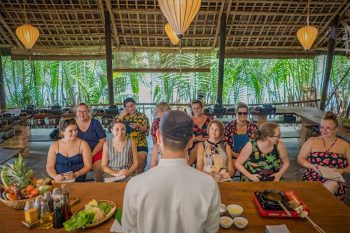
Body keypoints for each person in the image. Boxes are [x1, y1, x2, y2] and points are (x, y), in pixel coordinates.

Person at [122, 110, 220, 233]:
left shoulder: (135, 185)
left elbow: (129, 230)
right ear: (191, 141)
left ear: (158, 136)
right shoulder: (209, 185)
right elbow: (211, 230)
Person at [298, 111, 350, 201]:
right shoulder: (312, 141)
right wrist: (311, 166)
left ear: (336, 129)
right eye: (322, 127)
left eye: (328, 128)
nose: (323, 130)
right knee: (315, 190)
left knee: (333, 184)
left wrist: (342, 170)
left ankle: (314, 204)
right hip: (313, 177)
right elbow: (300, 158)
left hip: (334, 178)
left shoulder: (345, 145)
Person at [46, 118, 92, 182]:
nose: (74, 133)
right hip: (59, 180)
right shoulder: (55, 145)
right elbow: (49, 166)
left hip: (78, 179)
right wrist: (55, 176)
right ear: (63, 132)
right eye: (70, 131)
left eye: (76, 130)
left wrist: (75, 174)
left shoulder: (83, 144)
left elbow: (88, 166)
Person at [115, 97, 149, 174]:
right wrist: (121, 116)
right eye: (128, 106)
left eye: (132, 105)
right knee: (124, 162)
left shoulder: (142, 116)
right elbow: (113, 127)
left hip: (140, 142)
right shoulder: (123, 117)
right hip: (125, 144)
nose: (131, 108)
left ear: (135, 105)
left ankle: (139, 177)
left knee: (141, 159)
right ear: (125, 108)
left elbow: (146, 130)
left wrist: (138, 126)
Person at [75, 103, 106, 182]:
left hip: (95, 151)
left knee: (98, 166)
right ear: (76, 112)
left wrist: (92, 154)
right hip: (79, 153)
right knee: (77, 166)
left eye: (84, 111)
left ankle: (100, 185)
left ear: (88, 112)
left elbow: (102, 140)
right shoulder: (72, 123)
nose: (82, 114)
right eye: (79, 111)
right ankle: (79, 186)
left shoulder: (95, 123)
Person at [188, 100, 211, 165]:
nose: (196, 110)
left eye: (198, 108)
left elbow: (215, 134)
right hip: (193, 145)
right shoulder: (189, 121)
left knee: (201, 145)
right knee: (199, 145)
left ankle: (189, 165)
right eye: (194, 109)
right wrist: (195, 138)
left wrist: (207, 139)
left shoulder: (209, 120)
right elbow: (185, 137)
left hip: (208, 145)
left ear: (202, 108)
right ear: (192, 109)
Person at [150, 102, 171, 168]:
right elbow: (154, 139)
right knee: (155, 151)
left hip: (171, 146)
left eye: (158, 111)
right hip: (159, 146)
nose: (156, 112)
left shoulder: (173, 121)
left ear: (164, 112)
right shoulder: (155, 122)